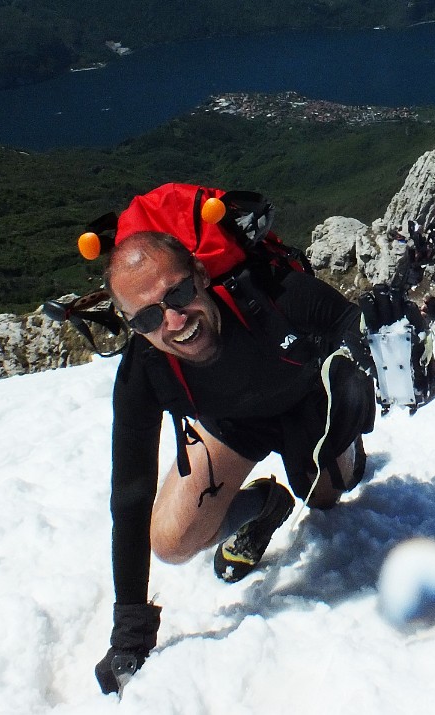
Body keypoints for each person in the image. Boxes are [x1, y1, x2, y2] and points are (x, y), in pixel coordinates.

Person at [94, 230, 376, 694]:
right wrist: (131, 629)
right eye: (147, 317)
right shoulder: (144, 370)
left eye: (179, 293)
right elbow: (130, 492)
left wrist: (354, 384)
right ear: (133, 327)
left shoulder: (269, 292)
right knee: (171, 541)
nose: (174, 319)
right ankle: (266, 505)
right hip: (235, 423)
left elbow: (348, 319)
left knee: (326, 497)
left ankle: (340, 452)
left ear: (201, 275)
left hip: (306, 402)